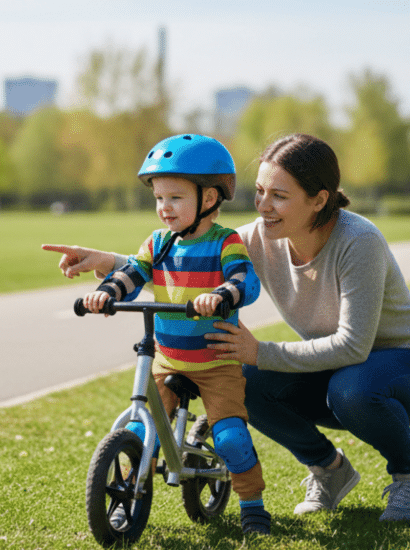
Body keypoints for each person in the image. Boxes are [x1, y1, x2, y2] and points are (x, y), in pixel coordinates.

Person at [43, 133, 410, 522]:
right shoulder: (259, 237)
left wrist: (260, 351)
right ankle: (329, 470)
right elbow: (188, 266)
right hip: (338, 367)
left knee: (350, 387)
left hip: (393, 364)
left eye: (279, 196)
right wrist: (109, 261)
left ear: (319, 199)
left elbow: (353, 347)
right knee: (243, 378)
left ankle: (407, 475)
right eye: (259, 191)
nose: (263, 206)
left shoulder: (359, 241)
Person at [81, 134, 271, 535]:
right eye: (159, 198)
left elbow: (245, 280)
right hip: (167, 357)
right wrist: (105, 293)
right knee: (138, 430)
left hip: (217, 362)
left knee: (232, 438)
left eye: (175, 198)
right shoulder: (158, 243)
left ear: (209, 198)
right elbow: (133, 273)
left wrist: (223, 294)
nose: (164, 208)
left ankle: (252, 502)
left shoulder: (226, 241)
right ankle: (128, 496)